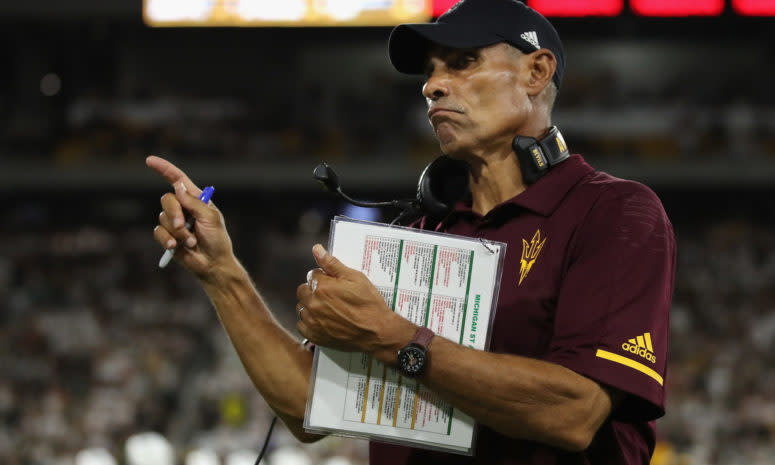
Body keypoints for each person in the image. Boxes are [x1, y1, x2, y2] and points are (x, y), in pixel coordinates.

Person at [147, 0, 676, 463]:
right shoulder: (421, 232)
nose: (432, 85)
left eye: (463, 62)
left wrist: (397, 338)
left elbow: (576, 413)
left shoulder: (614, 212)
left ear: (537, 72)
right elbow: (308, 409)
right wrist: (221, 273)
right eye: (430, 71)